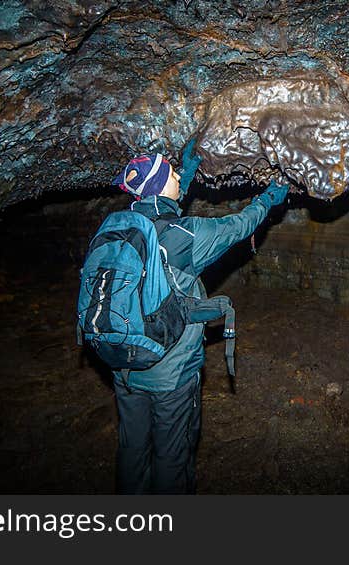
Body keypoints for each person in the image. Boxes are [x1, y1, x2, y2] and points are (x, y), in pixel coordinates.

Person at [108, 140, 289, 494]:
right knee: (172, 458)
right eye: (173, 173)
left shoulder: (117, 230)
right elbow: (237, 227)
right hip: (170, 373)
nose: (178, 175)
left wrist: (187, 172)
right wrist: (269, 198)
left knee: (132, 452)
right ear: (161, 186)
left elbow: (161, 211)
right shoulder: (186, 236)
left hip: (123, 364)